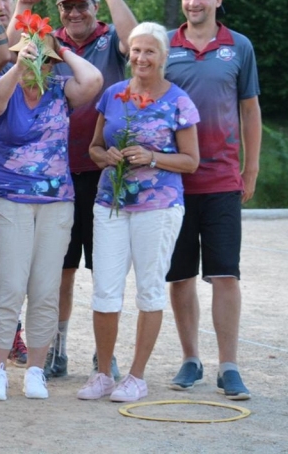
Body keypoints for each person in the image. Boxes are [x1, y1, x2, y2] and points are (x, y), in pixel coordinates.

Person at [13, 0, 138, 379]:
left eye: (81, 5)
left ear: (93, 8)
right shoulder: (49, 44)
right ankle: (57, 348)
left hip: (106, 172)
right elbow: (6, 56)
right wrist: (24, 6)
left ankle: (105, 353)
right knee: (59, 270)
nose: (74, 13)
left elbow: (133, 39)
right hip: (60, 176)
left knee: (107, 269)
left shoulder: (109, 39)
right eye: (67, 7)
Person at [76, 23, 200, 403]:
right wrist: (105, 156)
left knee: (148, 289)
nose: (141, 58)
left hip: (158, 207)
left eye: (149, 52)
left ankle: (137, 376)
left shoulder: (179, 101)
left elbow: (191, 161)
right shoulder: (113, 95)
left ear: (164, 57)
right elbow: (95, 148)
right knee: (105, 291)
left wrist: (153, 157)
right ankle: (102, 374)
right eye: (135, 51)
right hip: (110, 205)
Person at [0, 25, 102, 401]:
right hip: (6, 197)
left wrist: (60, 49)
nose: (40, 66)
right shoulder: (5, 84)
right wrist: (19, 66)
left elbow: (94, 80)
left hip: (56, 202)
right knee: (11, 284)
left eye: (44, 60)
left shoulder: (60, 90)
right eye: (35, 58)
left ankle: (36, 368)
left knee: (46, 289)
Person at [164, 0, 261, 400]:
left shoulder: (238, 47)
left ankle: (229, 366)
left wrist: (251, 168)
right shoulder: (167, 45)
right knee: (180, 277)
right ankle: (190, 359)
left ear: (218, 0)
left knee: (225, 276)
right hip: (173, 182)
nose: (194, 2)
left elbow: (250, 109)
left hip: (222, 179)